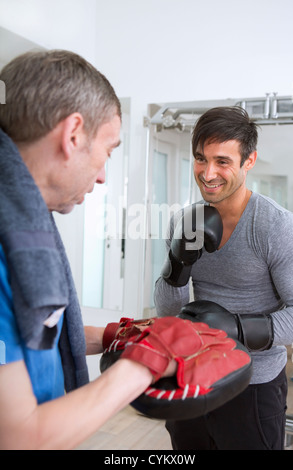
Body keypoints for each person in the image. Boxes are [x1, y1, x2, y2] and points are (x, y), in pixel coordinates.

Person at [0, 50, 180, 450]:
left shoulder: (23, 222)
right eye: (109, 150)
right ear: (74, 134)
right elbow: (17, 437)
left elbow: (27, 335)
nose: (102, 176)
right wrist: (143, 365)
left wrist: (117, 337)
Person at [154, 106, 293, 450]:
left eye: (222, 161)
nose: (208, 173)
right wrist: (178, 263)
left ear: (249, 161)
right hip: (191, 376)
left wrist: (235, 327)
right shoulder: (183, 221)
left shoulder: (276, 226)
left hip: (252, 385)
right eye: (200, 159)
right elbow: (168, 311)